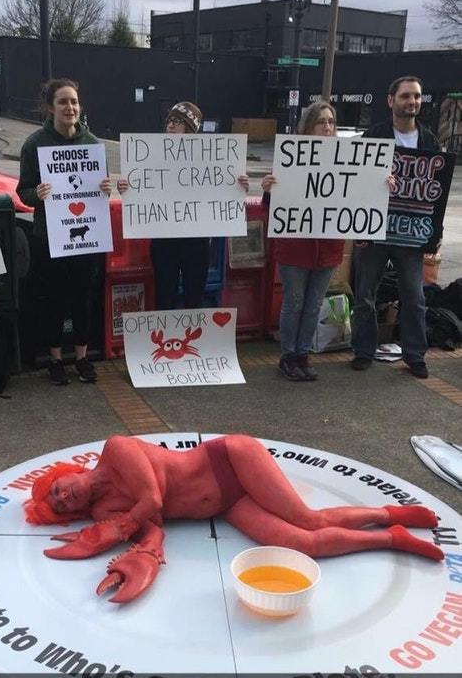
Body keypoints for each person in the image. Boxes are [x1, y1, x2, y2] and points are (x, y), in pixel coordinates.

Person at [24, 434, 442, 603]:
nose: (63, 498)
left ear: (68, 473)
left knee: (307, 518)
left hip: (230, 461)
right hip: (224, 505)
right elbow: (152, 532)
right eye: (59, 507)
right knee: (303, 545)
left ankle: (386, 513)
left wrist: (115, 530)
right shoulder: (102, 510)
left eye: (57, 489)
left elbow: (151, 501)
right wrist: (138, 544)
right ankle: (393, 537)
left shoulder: (116, 449)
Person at [16, 78, 111, 386]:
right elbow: (23, 192)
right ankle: (56, 360)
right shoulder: (35, 144)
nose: (70, 107)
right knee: (54, 300)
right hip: (51, 238)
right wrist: (37, 194)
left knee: (83, 298)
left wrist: (107, 187)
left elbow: (101, 188)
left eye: (74, 101)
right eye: (63, 102)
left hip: (87, 238)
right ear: (50, 107)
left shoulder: (93, 144)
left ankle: (81, 357)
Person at [118, 102, 249, 310]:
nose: (171, 125)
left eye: (178, 121)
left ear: (190, 127)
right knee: (164, 293)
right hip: (164, 238)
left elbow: (219, 190)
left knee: (194, 295)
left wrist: (238, 186)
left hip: (196, 240)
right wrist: (126, 188)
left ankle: (190, 339)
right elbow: (142, 188)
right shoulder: (150, 154)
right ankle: (164, 340)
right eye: (169, 120)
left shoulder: (209, 158)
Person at [351, 76, 440, 380]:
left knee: (414, 297)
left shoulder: (430, 141)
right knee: (364, 295)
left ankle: (415, 355)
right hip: (374, 232)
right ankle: (363, 351)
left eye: (416, 96)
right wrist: (358, 230)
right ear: (391, 100)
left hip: (411, 235)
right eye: (405, 96)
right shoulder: (372, 137)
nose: (412, 102)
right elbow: (355, 184)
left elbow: (435, 196)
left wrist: (434, 236)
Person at [261, 102, 345, 381]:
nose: (327, 127)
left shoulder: (344, 159)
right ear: (308, 126)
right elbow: (272, 207)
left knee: (313, 304)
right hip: (295, 247)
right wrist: (270, 190)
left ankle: (303, 354)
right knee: (294, 302)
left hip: (328, 247)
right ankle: (288, 356)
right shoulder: (290, 158)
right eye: (321, 121)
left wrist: (382, 185)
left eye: (331, 122)